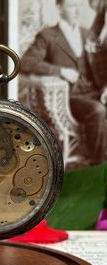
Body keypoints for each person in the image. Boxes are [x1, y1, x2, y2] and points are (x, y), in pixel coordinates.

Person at [21, 0, 107, 166]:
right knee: (97, 110)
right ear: (59, 9)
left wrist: (105, 87)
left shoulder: (87, 33)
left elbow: (102, 67)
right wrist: (60, 71)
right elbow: (26, 62)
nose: (77, 11)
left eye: (79, 6)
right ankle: (98, 166)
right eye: (72, 6)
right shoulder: (48, 35)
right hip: (69, 97)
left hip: (93, 91)